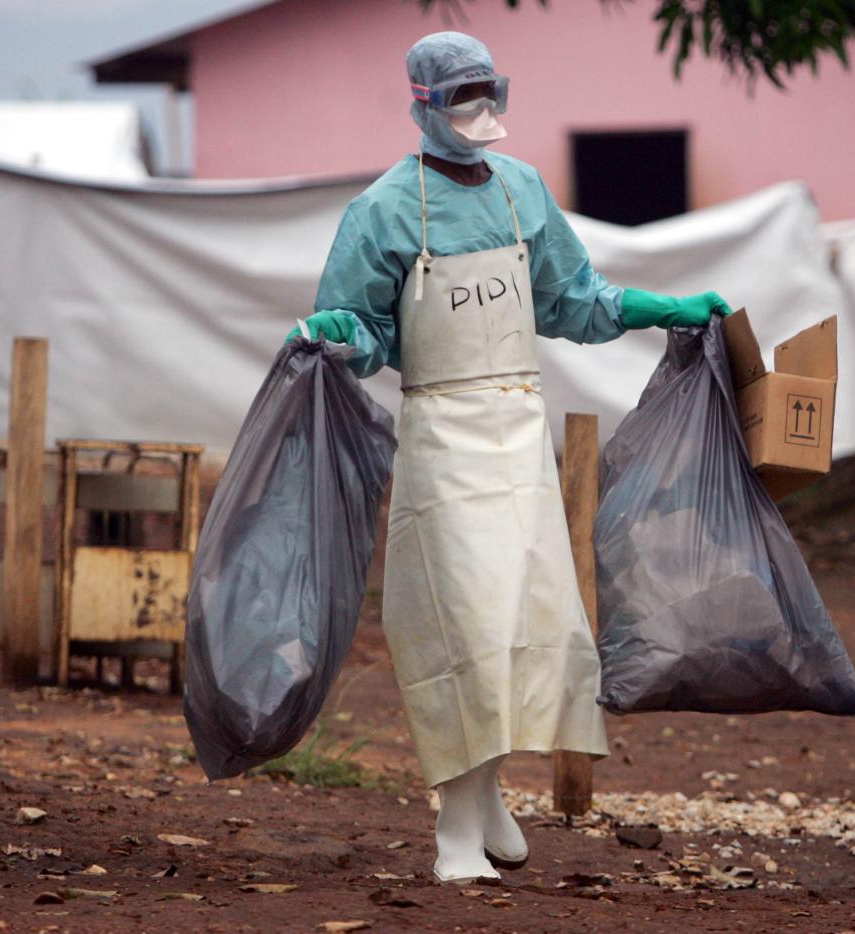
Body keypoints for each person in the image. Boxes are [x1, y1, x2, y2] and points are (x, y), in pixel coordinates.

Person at [287, 31, 731, 884]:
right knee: (461, 620)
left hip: (517, 432)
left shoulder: (523, 188)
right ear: (421, 103)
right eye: (459, 95)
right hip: (442, 436)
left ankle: (485, 793)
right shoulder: (383, 209)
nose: (478, 108)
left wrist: (661, 307)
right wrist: (343, 333)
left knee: (524, 621)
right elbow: (368, 330)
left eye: (488, 89)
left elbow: (574, 302)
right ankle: (455, 824)